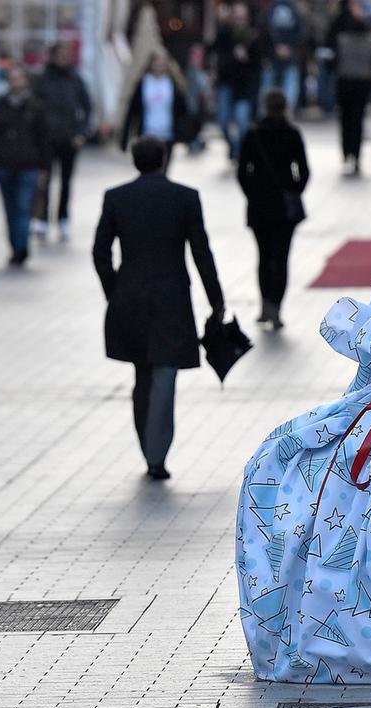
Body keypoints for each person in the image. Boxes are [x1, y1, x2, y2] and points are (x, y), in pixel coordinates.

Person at [93, 136, 226, 480]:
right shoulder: (185, 198)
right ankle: (157, 453)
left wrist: (114, 289)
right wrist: (216, 299)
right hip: (172, 297)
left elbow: (100, 251)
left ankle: (148, 448)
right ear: (164, 159)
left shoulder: (116, 198)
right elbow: (201, 252)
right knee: (165, 374)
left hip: (130, 296)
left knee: (142, 374)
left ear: (135, 160)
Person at [237, 89, 310, 329]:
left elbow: (242, 172)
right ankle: (277, 307)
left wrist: (252, 193)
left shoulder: (253, 134)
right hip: (284, 207)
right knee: (281, 257)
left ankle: (264, 305)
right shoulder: (292, 133)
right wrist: (294, 190)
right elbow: (304, 170)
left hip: (259, 206)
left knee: (263, 256)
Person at [0, 65, 50, 266]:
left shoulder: (35, 107)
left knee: (23, 207)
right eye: (11, 78)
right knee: (10, 208)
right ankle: (15, 246)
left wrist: (44, 166)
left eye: (18, 78)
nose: (14, 82)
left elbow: (44, 139)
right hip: (4, 166)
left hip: (29, 166)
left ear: (26, 81)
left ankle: (22, 248)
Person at [32, 42, 92, 243]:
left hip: (69, 138)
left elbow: (87, 107)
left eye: (66, 54)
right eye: (60, 54)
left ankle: (63, 218)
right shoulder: (43, 79)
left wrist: (81, 133)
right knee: (44, 180)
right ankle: (42, 219)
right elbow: (34, 107)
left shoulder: (75, 79)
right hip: (47, 138)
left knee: (66, 182)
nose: (63, 58)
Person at [333, 9, 371, 175]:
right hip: (363, 85)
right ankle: (356, 153)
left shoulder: (341, 40)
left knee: (345, 120)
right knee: (358, 121)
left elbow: (333, 62)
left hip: (344, 84)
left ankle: (346, 151)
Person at [120, 50, 191, 170]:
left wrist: (186, 134)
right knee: (147, 170)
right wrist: (125, 138)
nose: (160, 65)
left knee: (163, 171)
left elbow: (182, 111)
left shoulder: (172, 84)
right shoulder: (144, 83)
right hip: (147, 134)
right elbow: (133, 111)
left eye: (163, 62)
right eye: (157, 62)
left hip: (167, 135)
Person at [212, 2, 263, 160]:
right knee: (222, 121)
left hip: (244, 87)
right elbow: (216, 57)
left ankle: (240, 152)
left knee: (242, 122)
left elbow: (257, 66)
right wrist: (233, 57)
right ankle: (233, 147)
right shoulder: (224, 35)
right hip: (226, 84)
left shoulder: (253, 37)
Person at [259, 0, 306, 111]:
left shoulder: (290, 8)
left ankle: (276, 115)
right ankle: (273, 115)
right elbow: (264, 30)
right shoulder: (273, 8)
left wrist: (287, 48)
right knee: (270, 87)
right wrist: (278, 47)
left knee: (287, 87)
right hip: (274, 56)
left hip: (288, 56)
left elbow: (301, 33)